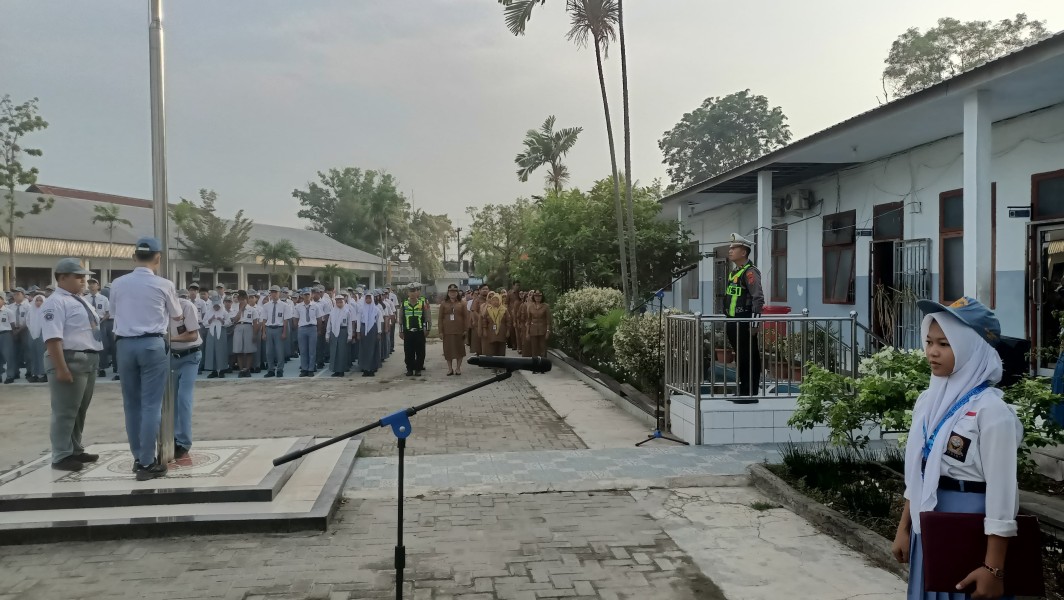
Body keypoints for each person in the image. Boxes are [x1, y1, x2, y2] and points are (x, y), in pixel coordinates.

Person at [892, 297, 1022, 600]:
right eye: (929, 342)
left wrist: (994, 569)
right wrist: (905, 527)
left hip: (971, 528)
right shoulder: (928, 401)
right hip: (931, 525)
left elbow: (1003, 493)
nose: (932, 352)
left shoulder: (991, 411)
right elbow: (920, 471)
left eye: (945, 344)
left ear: (971, 349)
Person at [110, 237, 183, 481]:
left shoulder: (118, 284)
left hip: (124, 344)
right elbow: (177, 314)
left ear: (134, 257)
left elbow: (113, 312)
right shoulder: (164, 284)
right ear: (158, 258)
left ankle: (137, 457)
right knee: (151, 404)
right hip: (152, 344)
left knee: (131, 404)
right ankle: (147, 462)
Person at [41, 258, 103, 472]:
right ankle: (61, 454)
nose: (83, 280)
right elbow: (52, 338)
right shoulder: (55, 302)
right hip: (69, 358)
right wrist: (61, 368)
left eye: (84, 276)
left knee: (79, 410)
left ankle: (75, 449)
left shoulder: (79, 300)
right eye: (78, 276)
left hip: (87, 358)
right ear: (62, 277)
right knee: (65, 411)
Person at [723, 233, 764, 402]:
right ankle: (742, 388)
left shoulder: (750, 273)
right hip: (732, 321)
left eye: (734, 248)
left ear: (744, 252)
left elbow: (758, 299)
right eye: (730, 247)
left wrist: (754, 325)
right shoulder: (735, 272)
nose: (730, 250)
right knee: (740, 356)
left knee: (749, 356)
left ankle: (749, 392)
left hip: (745, 321)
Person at [170, 289, 201, 459]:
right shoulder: (159, 308)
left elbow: (193, 335)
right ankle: (173, 437)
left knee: (183, 398)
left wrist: (170, 338)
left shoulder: (186, 306)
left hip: (190, 356)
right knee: (171, 400)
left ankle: (184, 442)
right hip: (170, 358)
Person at [260, 285, 292, 378]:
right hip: (269, 328)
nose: (273, 294)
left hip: (279, 328)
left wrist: (284, 332)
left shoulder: (284, 305)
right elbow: (264, 320)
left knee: (279, 351)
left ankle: (280, 369)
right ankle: (270, 369)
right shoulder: (266, 306)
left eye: (275, 292)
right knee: (269, 352)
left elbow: (285, 320)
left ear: (279, 293)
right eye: (272, 292)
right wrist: (263, 332)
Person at [398, 282, 430, 377]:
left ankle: (418, 369)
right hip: (408, 332)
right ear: (408, 293)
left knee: (420, 352)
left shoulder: (423, 303)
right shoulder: (404, 304)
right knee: (408, 352)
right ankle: (410, 369)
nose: (412, 293)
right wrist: (401, 331)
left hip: (419, 332)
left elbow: (427, 317)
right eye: (410, 291)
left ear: (417, 292)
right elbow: (400, 319)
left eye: (414, 291)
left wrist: (427, 330)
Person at [86, 278, 113, 379]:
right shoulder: (85, 298)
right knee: (90, 346)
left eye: (94, 284)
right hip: (88, 324)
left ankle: (102, 368)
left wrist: (101, 321)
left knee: (102, 346)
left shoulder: (103, 298)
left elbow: (108, 312)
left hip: (101, 323)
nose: (91, 286)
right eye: (90, 284)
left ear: (98, 286)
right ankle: (91, 367)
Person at [438, 283, 467, 376]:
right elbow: (440, 318)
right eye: (451, 291)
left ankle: (458, 368)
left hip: (459, 330)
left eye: (455, 291)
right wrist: (440, 331)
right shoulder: (444, 303)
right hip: (447, 331)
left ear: (457, 292)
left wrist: (466, 329)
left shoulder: (462, 303)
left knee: (460, 349)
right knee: (448, 350)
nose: (453, 293)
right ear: (448, 293)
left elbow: (466, 317)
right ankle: (450, 369)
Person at [202, 294, 230, 378]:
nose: (216, 307)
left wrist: (222, 321)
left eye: (218, 305)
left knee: (221, 350)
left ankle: (222, 370)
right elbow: (204, 323)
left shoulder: (224, 312)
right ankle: (213, 370)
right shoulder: (208, 312)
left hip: (221, 331)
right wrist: (210, 320)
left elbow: (229, 323)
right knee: (211, 350)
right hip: (211, 331)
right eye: (215, 305)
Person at [231, 290, 258, 378]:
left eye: (243, 299)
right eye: (240, 299)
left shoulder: (252, 309)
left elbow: (255, 323)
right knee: (239, 351)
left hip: (248, 327)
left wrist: (254, 334)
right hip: (238, 327)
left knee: (249, 350)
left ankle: (247, 369)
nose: (242, 300)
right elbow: (235, 320)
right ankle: (241, 369)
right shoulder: (234, 308)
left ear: (246, 299)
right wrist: (240, 309)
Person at [356, 291, 382, 377]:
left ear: (372, 299)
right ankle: (365, 369)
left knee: (373, 349)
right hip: (363, 330)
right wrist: (358, 332)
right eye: (366, 298)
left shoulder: (376, 309)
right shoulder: (361, 309)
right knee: (364, 350)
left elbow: (379, 321)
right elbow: (358, 321)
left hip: (373, 330)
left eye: (369, 298)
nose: (368, 299)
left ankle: (372, 369)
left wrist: (379, 332)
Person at [479, 292, 510, 367]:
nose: (495, 302)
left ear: (500, 301)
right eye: (493, 300)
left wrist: (508, 331)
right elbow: (484, 321)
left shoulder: (504, 310)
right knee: (492, 349)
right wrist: (485, 330)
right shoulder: (488, 310)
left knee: (501, 349)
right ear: (491, 301)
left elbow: (508, 321)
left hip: (502, 331)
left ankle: (501, 365)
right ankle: (494, 366)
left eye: (497, 300)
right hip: (491, 332)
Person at [296, 289, 322, 377]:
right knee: (303, 350)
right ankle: (304, 369)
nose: (306, 296)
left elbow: (319, 319)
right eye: (305, 295)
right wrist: (298, 328)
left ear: (311, 295)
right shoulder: (298, 306)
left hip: (312, 328)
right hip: (302, 328)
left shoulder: (316, 306)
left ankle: (311, 369)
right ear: (302, 296)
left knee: (312, 350)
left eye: (308, 294)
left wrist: (318, 330)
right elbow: (295, 318)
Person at [327, 295, 353, 377]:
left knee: (341, 352)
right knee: (334, 351)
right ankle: (335, 370)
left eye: (340, 301)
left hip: (343, 332)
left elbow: (350, 325)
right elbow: (329, 324)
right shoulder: (332, 312)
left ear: (343, 302)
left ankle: (341, 370)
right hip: (334, 333)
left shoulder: (347, 311)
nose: (339, 303)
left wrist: (350, 336)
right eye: (337, 301)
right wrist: (327, 334)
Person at [524, 290, 551, 360]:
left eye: (539, 296)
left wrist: (548, 331)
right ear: (534, 296)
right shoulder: (530, 306)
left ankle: (543, 367)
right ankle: (535, 368)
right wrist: (527, 332)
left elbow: (548, 320)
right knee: (534, 350)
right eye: (536, 295)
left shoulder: (546, 306)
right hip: (533, 330)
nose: (537, 297)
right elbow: (529, 320)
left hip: (543, 330)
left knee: (543, 349)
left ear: (542, 296)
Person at [9, 287, 29, 382]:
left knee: (27, 352)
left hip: (25, 330)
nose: (15, 295)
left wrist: (19, 330)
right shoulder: (10, 307)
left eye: (18, 293)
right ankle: (15, 372)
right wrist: (14, 330)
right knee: (14, 352)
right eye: (14, 294)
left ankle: (29, 372)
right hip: (13, 330)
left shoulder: (28, 306)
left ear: (23, 295)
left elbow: (28, 320)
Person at [26, 293, 47, 383]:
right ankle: (34, 374)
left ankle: (43, 374)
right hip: (32, 334)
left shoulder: (46, 310)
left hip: (43, 334)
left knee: (41, 354)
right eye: (37, 300)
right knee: (33, 354)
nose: (38, 302)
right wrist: (31, 330)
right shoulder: (31, 310)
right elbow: (27, 321)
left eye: (40, 300)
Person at [0, 295, 14, 384]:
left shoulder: (8, 311)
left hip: (6, 334)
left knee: (8, 356)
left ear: (3, 301)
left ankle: (10, 376)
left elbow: (12, 324)